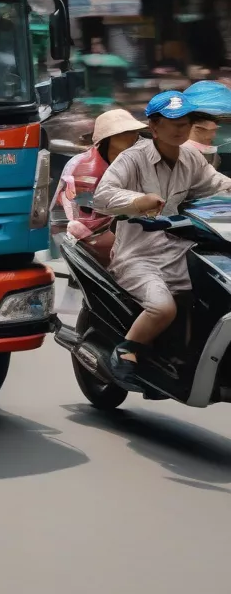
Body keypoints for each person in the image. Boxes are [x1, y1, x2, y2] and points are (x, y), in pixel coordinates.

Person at [94, 90, 231, 384]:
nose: (180, 130)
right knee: (162, 308)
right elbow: (102, 196)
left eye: (185, 123)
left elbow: (216, 184)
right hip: (138, 255)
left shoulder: (191, 158)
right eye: (173, 123)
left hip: (181, 252)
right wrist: (137, 201)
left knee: (215, 295)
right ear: (154, 127)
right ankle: (127, 348)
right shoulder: (132, 158)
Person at [58, 107, 145, 266]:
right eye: (126, 133)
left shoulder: (131, 160)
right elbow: (87, 216)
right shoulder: (87, 171)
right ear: (109, 138)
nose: (134, 136)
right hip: (94, 235)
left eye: (134, 132)